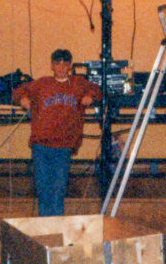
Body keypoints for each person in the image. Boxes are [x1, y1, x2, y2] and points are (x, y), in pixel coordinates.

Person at [13, 49, 102, 216]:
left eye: (65, 63)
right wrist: (22, 98)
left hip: (63, 146)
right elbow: (18, 91)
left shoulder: (78, 83)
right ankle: (44, 233)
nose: (61, 67)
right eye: (57, 63)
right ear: (52, 65)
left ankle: (57, 232)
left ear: (69, 66)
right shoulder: (42, 84)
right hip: (41, 146)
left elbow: (97, 90)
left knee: (58, 191)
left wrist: (90, 96)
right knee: (43, 191)